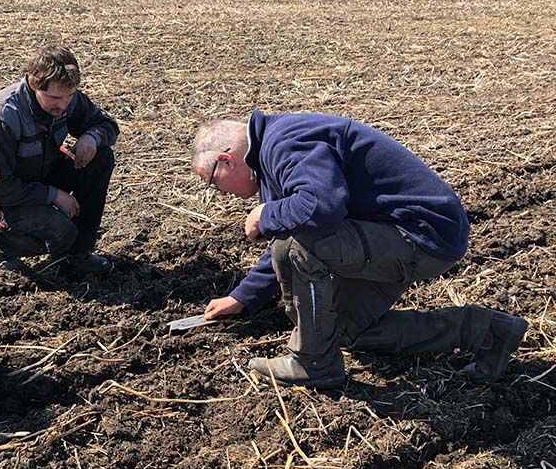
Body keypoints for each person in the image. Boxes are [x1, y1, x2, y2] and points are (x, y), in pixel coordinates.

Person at [192, 111, 528, 390]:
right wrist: (244, 297)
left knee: (296, 248)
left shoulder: (284, 143)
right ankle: (486, 331)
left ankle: (312, 362)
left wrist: (267, 214)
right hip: (397, 233)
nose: (220, 194)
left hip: (421, 231)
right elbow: (301, 226)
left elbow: (321, 209)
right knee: (342, 328)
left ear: (227, 160)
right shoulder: (271, 155)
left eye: (212, 183)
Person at [0, 46, 119, 274]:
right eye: (55, 98)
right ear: (34, 84)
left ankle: (77, 253)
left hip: (39, 173)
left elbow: (107, 124)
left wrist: (92, 137)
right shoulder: (1, 118)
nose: (64, 105)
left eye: (70, 96)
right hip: (0, 198)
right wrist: (53, 196)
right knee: (61, 231)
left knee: (101, 158)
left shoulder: (64, 98)